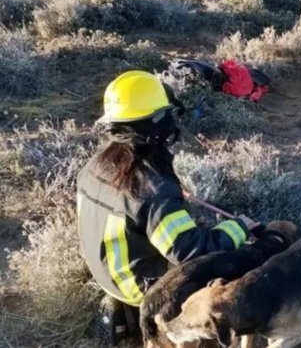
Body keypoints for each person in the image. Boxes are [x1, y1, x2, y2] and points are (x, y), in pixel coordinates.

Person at [76, 71, 259, 346]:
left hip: (105, 272)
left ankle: (119, 311)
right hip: (139, 286)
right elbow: (191, 251)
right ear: (157, 124)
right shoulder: (153, 188)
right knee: (230, 271)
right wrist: (239, 228)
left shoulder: (95, 166)